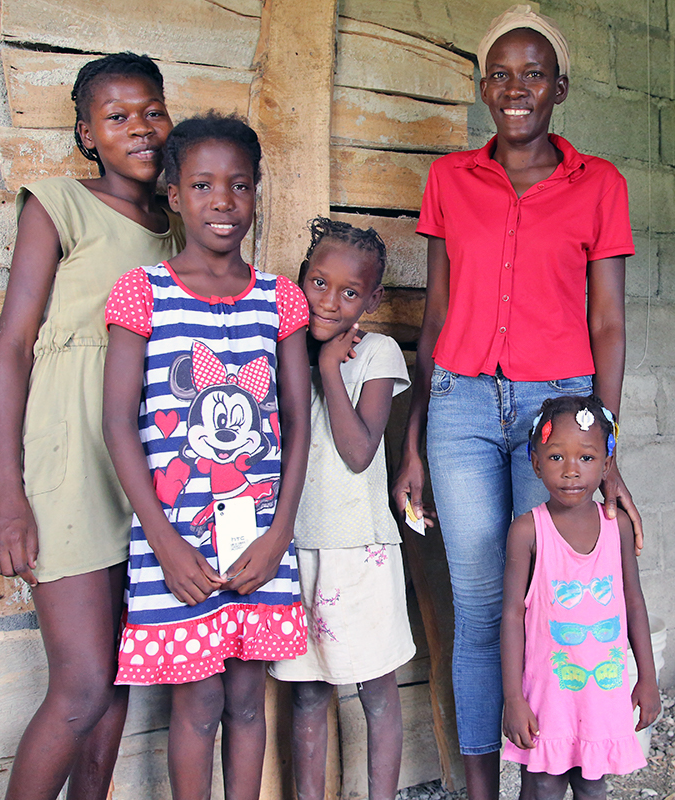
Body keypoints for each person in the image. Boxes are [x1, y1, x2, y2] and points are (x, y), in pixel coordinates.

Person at [389, 6, 643, 797]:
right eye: (500, 74)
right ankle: (480, 790)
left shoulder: (598, 184)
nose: (516, 88)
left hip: (557, 418)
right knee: (479, 607)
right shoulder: (450, 180)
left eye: (533, 73)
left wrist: (604, 449)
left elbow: (608, 323)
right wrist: (415, 441)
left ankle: (556, 771)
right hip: (460, 409)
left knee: (552, 603)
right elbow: (433, 318)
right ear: (483, 88)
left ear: (559, 87)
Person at [0, 52, 183, 800]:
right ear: (86, 133)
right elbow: (12, 346)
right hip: (71, 460)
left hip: (152, 466)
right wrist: (8, 492)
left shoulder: (183, 223)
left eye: (152, 111)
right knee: (81, 685)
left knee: (119, 674)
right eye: (117, 116)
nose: (140, 128)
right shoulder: (60, 204)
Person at [101, 113, 312, 800]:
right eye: (202, 184)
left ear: (256, 193)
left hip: (258, 543)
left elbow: (298, 425)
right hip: (178, 547)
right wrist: (163, 544)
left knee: (248, 701)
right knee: (197, 707)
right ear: (173, 194)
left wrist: (279, 535)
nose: (223, 201)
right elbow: (118, 425)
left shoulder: (280, 299)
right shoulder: (144, 293)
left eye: (239, 185)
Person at [269, 217, 415, 800]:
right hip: (293, 547)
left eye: (350, 292)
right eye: (319, 284)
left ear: (373, 299)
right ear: (302, 279)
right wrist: (309, 360)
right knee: (306, 692)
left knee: (376, 691)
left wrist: (330, 366)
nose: (330, 301)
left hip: (359, 549)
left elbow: (358, 453)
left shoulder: (375, 352)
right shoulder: (279, 354)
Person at [501, 395, 660, 800]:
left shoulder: (617, 528)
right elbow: (511, 617)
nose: (571, 471)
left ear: (607, 465)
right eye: (556, 458)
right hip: (548, 697)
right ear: (536, 463)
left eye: (586, 458)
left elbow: (634, 603)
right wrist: (513, 698)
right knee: (542, 785)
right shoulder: (528, 531)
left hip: (601, 695)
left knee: (593, 786)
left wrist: (648, 677)